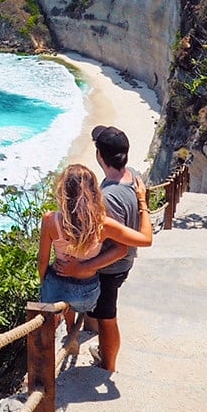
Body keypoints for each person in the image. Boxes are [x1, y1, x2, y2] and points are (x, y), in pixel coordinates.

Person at [38, 163, 153, 359]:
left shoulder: (50, 220)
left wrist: (44, 285)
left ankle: (64, 335)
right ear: (93, 191)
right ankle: (71, 331)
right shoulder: (102, 223)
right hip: (87, 296)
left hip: (56, 289)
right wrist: (142, 201)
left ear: (63, 191)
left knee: (54, 295)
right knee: (73, 300)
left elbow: (42, 261)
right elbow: (143, 240)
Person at [55, 125, 142, 371]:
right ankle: (90, 336)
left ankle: (108, 365)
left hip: (110, 267)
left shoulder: (107, 198)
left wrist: (80, 266)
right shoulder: (132, 176)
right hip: (122, 263)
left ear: (99, 156)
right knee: (100, 312)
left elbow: (119, 247)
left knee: (107, 319)